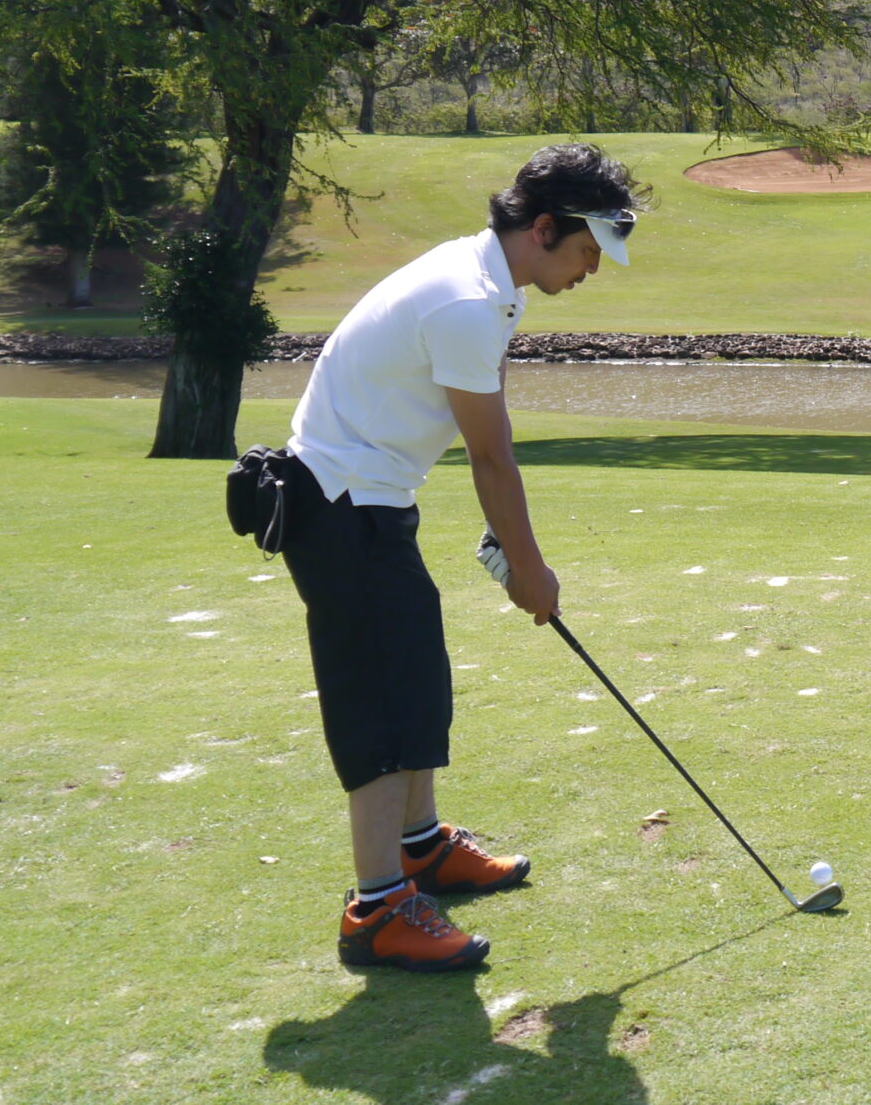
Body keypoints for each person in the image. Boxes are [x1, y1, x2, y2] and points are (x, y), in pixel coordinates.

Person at [268, 141, 648, 972]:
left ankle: (420, 848)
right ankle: (377, 912)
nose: (593, 269)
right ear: (544, 229)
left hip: (372, 501)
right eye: (588, 251)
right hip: (337, 507)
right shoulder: (468, 301)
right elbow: (489, 457)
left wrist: (516, 553)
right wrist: (531, 569)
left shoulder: (489, 285)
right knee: (377, 702)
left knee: (416, 677)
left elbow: (486, 430)